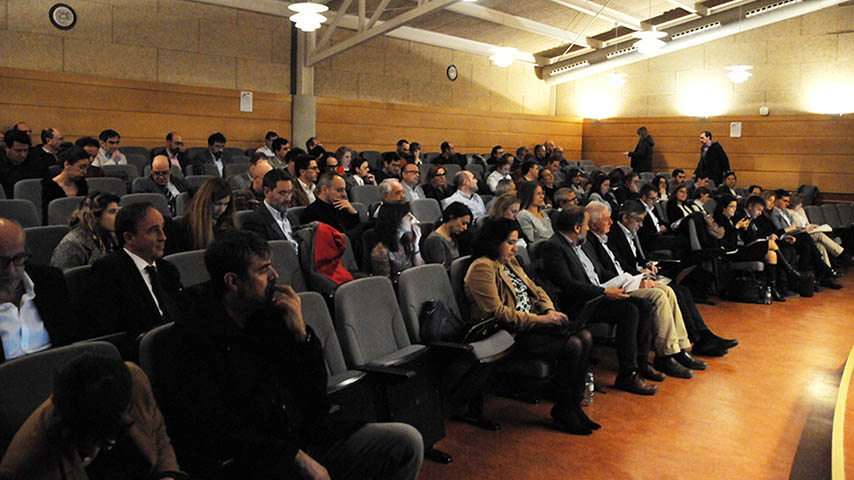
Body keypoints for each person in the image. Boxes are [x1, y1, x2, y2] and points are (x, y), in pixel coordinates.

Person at [156, 230, 423, 478]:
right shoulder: (191, 337)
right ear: (233, 281)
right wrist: (296, 458)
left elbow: (314, 393)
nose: (274, 276)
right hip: (254, 461)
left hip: (304, 437)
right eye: (263, 270)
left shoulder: (272, 316)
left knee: (405, 443)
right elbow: (218, 426)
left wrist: (301, 334)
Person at [464, 218, 598, 434]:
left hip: (532, 324)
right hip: (508, 333)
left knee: (585, 336)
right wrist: (542, 320)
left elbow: (536, 290)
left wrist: (548, 310)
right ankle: (564, 409)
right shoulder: (482, 267)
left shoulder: (511, 262)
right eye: (510, 243)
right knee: (573, 344)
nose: (515, 248)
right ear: (494, 242)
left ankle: (572, 405)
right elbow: (498, 313)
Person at [534, 208, 658, 395]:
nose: (587, 228)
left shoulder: (581, 243)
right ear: (576, 228)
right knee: (629, 311)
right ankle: (627, 374)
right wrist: (604, 292)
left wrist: (626, 279)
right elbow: (567, 285)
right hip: (579, 303)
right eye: (585, 224)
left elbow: (599, 272)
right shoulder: (554, 247)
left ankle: (641, 363)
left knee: (643, 305)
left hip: (597, 293)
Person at [0, 352, 182, 479]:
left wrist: (166, 476)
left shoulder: (132, 382)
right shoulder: (25, 468)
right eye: (93, 443)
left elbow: (158, 436)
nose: (100, 449)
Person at [584, 202, 706, 377]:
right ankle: (665, 355)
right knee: (658, 296)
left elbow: (621, 266)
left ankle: (678, 349)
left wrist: (640, 277)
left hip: (626, 281)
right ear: (593, 224)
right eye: (606, 219)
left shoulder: (604, 238)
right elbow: (604, 275)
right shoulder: (591, 241)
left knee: (668, 290)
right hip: (616, 287)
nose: (611, 222)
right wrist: (636, 282)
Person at [610, 200, 738, 355]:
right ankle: (699, 339)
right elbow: (620, 263)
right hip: (631, 280)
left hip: (640, 275)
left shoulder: (629, 233)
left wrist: (648, 264)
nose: (641, 225)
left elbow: (637, 258)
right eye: (638, 220)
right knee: (675, 291)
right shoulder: (614, 234)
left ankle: (703, 335)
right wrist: (640, 273)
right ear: (625, 218)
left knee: (683, 290)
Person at [89, 202, 184, 340]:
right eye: (153, 230)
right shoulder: (108, 271)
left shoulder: (167, 269)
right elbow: (111, 331)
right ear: (129, 237)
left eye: (162, 228)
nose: (163, 237)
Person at [0, 218, 77, 363]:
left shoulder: (50, 281)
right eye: (1, 262)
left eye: (18, 258)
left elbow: (70, 342)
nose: (11, 270)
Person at [713, 195, 793, 301]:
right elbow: (730, 242)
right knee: (771, 244)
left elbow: (751, 236)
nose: (734, 210)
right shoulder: (725, 219)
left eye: (735, 207)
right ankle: (790, 271)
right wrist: (737, 227)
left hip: (743, 247)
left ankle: (772, 289)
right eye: (731, 207)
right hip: (733, 252)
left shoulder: (737, 219)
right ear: (724, 207)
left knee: (771, 254)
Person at [50, 192, 120, 270]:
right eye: (112, 212)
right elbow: (62, 279)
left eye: (117, 211)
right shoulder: (72, 246)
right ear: (94, 216)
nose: (118, 216)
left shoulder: (110, 238)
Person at [788, 193, 854, 268]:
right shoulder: (789, 213)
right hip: (801, 235)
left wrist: (814, 226)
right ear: (794, 204)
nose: (801, 205)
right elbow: (795, 228)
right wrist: (807, 229)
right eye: (799, 203)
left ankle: (828, 269)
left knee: (820, 245)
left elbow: (807, 223)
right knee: (819, 235)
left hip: (809, 232)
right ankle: (842, 255)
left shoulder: (801, 210)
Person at [240, 169, 300, 251]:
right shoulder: (254, 221)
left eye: (290, 192)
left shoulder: (292, 216)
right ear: (267, 192)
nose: (288, 198)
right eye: (282, 193)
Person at [175, 178, 234, 252]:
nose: (222, 209)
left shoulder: (227, 223)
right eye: (217, 204)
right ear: (206, 202)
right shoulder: (188, 225)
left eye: (226, 204)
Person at [371, 203, 423, 279]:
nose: (412, 218)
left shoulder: (406, 239)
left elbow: (419, 267)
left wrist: (416, 245)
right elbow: (385, 283)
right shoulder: (381, 251)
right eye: (407, 215)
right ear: (395, 219)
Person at [42, 147, 90, 223]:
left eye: (87, 168)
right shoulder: (48, 186)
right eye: (81, 167)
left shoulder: (82, 184)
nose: (84, 172)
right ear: (67, 164)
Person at [422, 202, 471, 270]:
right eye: (463, 223)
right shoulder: (435, 240)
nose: (465, 228)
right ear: (451, 217)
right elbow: (441, 270)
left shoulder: (453, 237)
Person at [1, 129, 46, 199]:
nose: (23, 155)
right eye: (18, 151)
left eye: (25, 150)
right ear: (6, 147)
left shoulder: (36, 162)